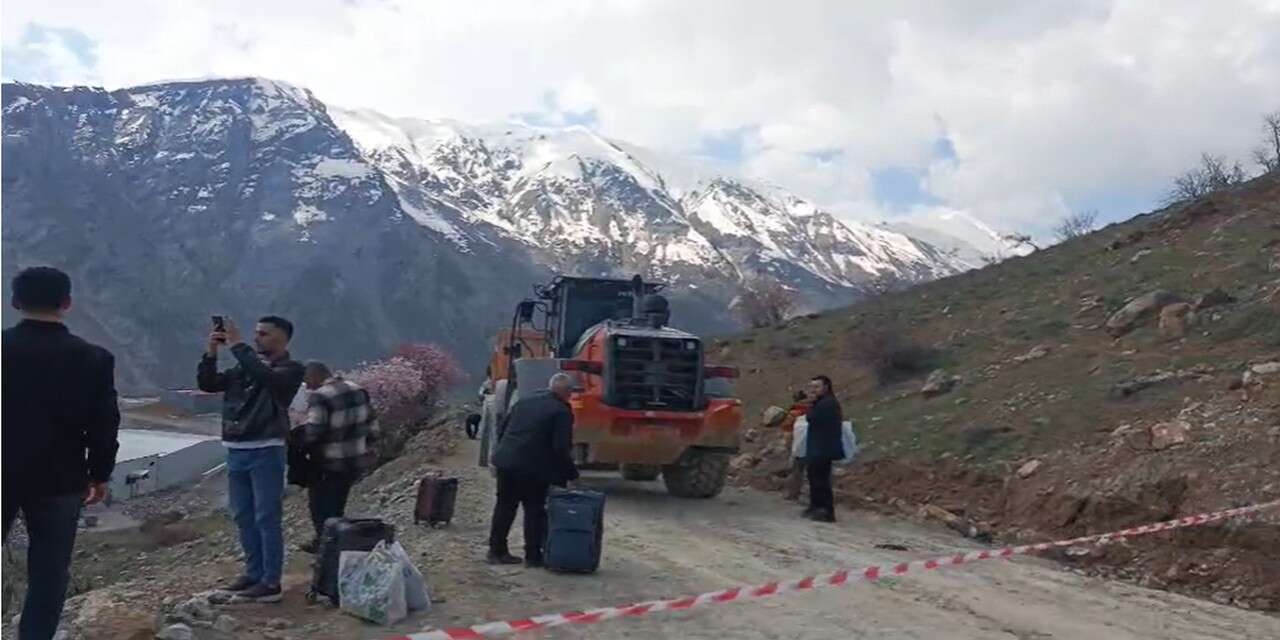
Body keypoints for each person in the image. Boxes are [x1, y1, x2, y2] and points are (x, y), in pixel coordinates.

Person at [3, 267, 120, 640]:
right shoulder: (94, 358)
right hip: (61, 477)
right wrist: (100, 473)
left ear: (15, 302)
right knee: (50, 570)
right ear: (67, 303)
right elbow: (104, 422)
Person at [197, 315, 304, 603]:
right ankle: (253, 573)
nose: (258, 338)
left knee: (266, 517)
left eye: (265, 334)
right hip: (236, 448)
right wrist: (211, 351)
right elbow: (208, 384)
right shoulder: (244, 366)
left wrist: (238, 345)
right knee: (243, 516)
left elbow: (266, 378)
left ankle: (271, 582)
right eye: (256, 333)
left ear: (283, 339)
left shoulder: (291, 369)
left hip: (266, 449)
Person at [486, 373, 579, 567]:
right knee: (534, 510)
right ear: (566, 392)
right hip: (533, 467)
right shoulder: (561, 411)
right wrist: (571, 475)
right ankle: (533, 556)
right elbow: (561, 448)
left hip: (507, 462)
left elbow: (503, 429)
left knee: (504, 507)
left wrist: (499, 455)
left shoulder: (525, 401)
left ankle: (496, 551)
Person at [294, 361, 381, 553]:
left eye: (306, 380)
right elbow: (372, 423)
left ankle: (327, 549)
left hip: (328, 463)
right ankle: (333, 542)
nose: (307, 386)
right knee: (338, 505)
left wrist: (298, 440)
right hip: (354, 461)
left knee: (320, 508)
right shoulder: (358, 389)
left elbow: (315, 431)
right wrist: (371, 448)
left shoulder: (320, 396)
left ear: (315, 375)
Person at [802, 375, 844, 523]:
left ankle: (825, 510)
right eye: (812, 387)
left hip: (823, 447)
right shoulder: (822, 402)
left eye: (817, 387)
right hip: (817, 446)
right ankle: (815, 506)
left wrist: (811, 405)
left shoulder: (828, 403)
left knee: (821, 480)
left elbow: (812, 418)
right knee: (814, 478)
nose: (813, 390)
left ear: (826, 387)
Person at [781, 389, 811, 502]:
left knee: (796, 469)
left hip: (796, 443)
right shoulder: (812, 409)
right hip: (811, 443)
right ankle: (808, 495)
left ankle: (793, 494)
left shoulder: (794, 412)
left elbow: (786, 426)